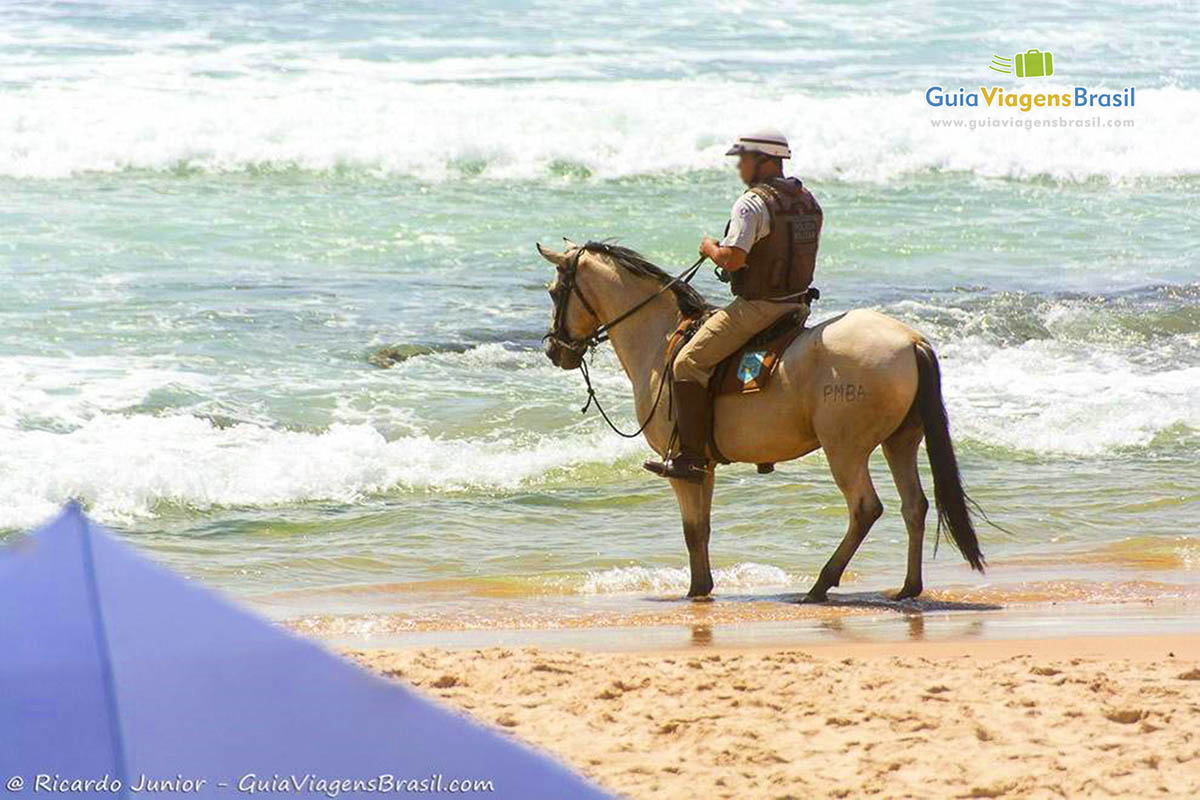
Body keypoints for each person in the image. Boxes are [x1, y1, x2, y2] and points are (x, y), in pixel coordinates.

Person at [643, 129, 823, 483]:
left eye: (745, 159)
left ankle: (691, 458)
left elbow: (733, 260)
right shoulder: (807, 200)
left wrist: (709, 246)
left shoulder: (752, 203)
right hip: (797, 306)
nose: (740, 167)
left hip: (760, 307)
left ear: (765, 161)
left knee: (687, 362)